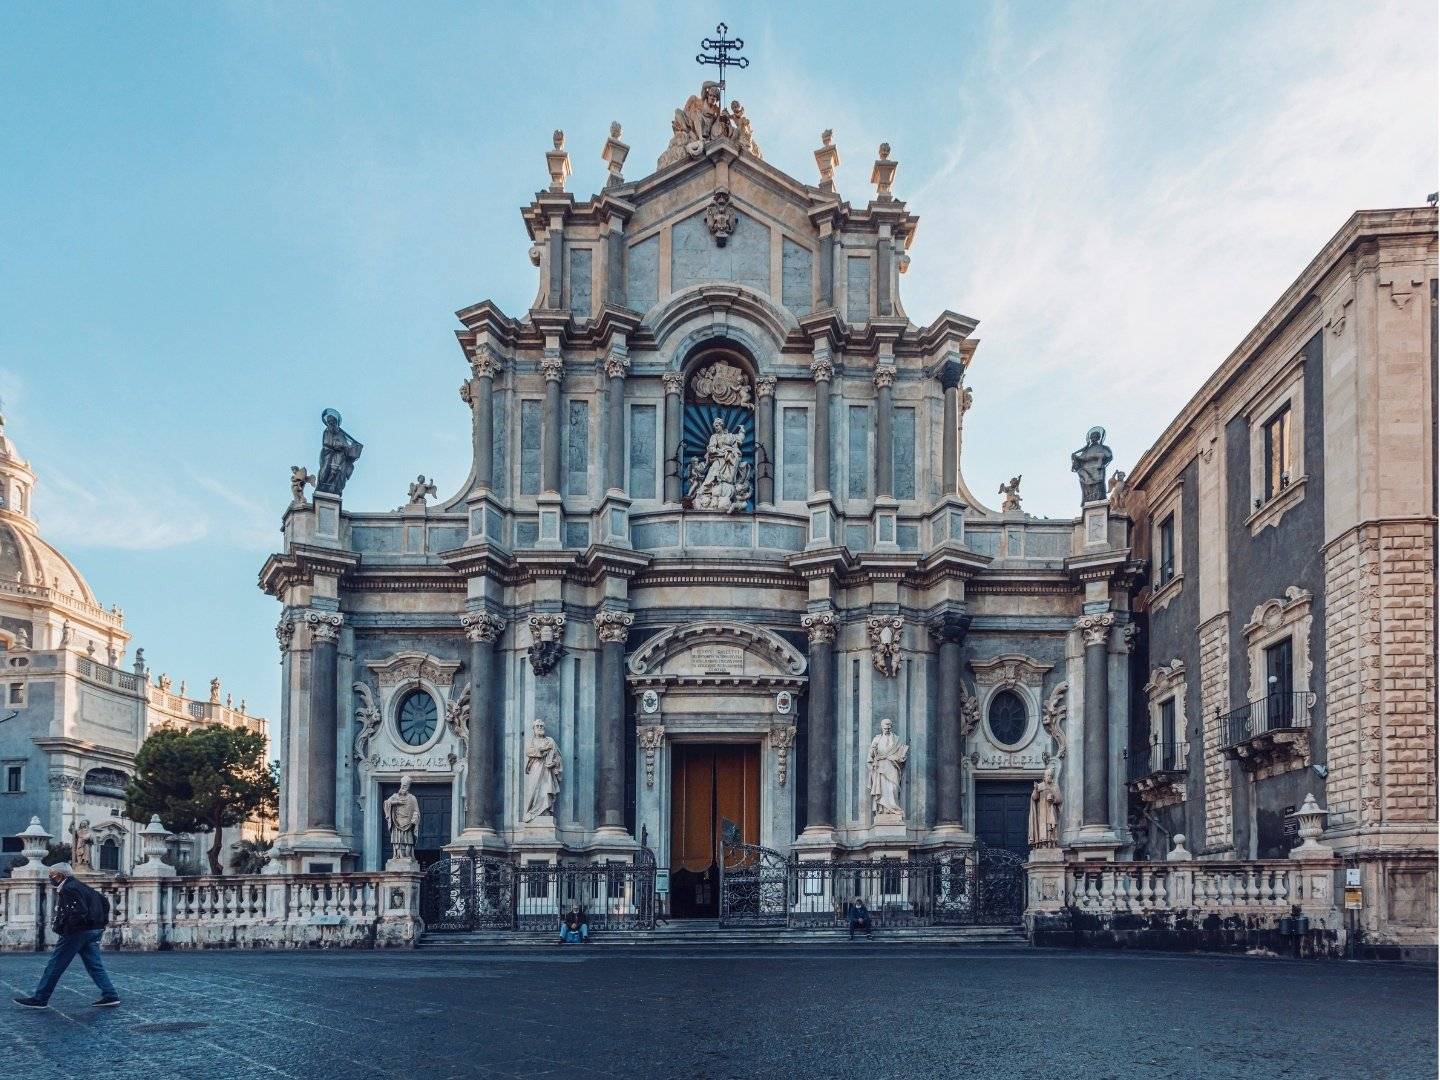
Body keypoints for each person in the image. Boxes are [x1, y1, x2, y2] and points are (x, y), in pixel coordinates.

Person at [13, 863, 119, 1009]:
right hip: (93, 930)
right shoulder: (81, 886)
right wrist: (101, 922)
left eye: (52, 875)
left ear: (61, 875)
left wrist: (66, 929)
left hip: (77, 933)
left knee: (55, 965)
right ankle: (110, 995)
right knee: (94, 965)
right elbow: (104, 901)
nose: (50, 877)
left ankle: (40, 998)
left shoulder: (69, 888)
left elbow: (78, 911)